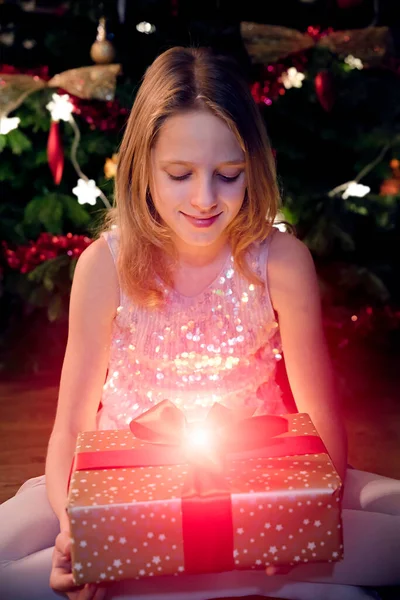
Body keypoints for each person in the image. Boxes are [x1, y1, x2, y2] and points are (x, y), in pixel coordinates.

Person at [0, 46, 399, 600]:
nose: (205, 199)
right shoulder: (105, 266)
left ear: (254, 166)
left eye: (229, 175)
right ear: (143, 167)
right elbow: (69, 427)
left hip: (262, 476)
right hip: (120, 482)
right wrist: (78, 532)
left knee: (387, 527)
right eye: (180, 174)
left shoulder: (280, 261)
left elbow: (321, 420)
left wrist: (297, 517)